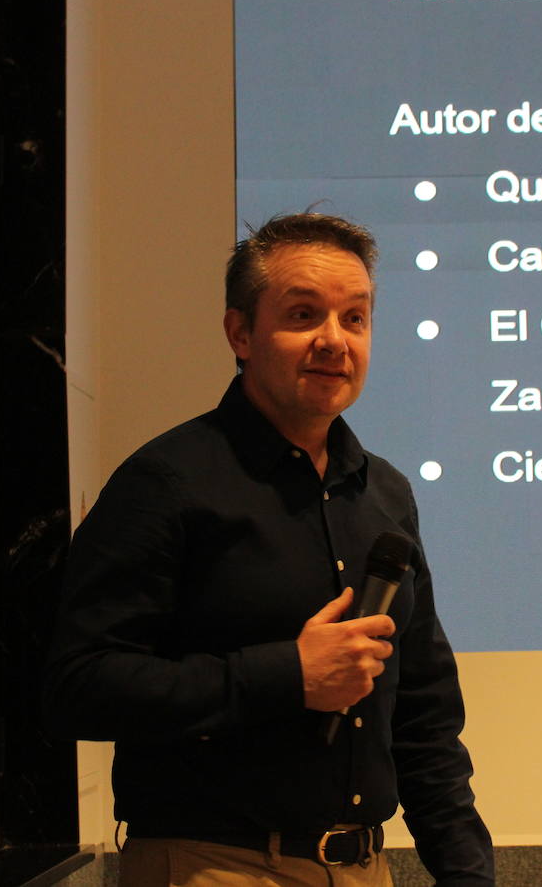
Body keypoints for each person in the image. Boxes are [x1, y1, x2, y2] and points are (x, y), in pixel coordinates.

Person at [43, 212, 494, 886]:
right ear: (240, 333)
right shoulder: (166, 482)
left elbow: (423, 711)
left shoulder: (386, 496)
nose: (334, 341)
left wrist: (466, 874)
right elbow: (78, 687)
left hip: (364, 868)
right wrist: (287, 677)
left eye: (355, 319)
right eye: (304, 314)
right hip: (211, 867)